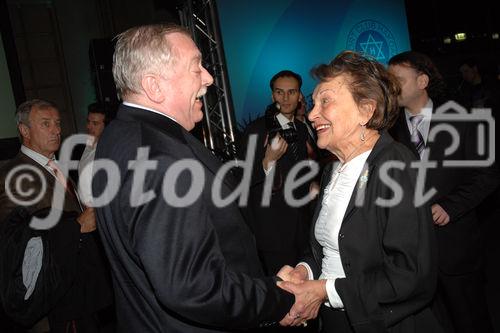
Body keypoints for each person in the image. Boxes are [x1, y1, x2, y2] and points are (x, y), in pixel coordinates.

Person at [92, 23, 307, 333]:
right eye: (196, 67)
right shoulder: (158, 158)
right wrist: (279, 296)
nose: (208, 77)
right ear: (154, 86)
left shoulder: (120, 133)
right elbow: (193, 287)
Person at [276, 51, 442, 332]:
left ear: (366, 111)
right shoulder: (332, 169)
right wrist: (305, 271)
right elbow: (325, 248)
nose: (312, 114)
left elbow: (410, 275)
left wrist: (324, 291)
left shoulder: (396, 165)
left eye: (325, 101)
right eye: (314, 102)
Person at [388, 51, 499, 333]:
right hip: (412, 257)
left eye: (397, 79)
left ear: (422, 80)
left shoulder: (462, 119)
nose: (391, 86)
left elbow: (488, 175)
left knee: (471, 320)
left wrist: (450, 207)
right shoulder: (389, 131)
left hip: (456, 248)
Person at [0, 99, 112, 332]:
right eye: (46, 124)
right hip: (52, 307)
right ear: (24, 131)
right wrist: (76, 226)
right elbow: (13, 244)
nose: (57, 130)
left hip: (77, 293)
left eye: (58, 123)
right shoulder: (12, 175)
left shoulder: (55, 166)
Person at [239, 70, 316, 277]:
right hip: (273, 230)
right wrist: (268, 161)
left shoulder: (300, 129)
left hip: (303, 226)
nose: (285, 98)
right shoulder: (257, 130)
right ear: (272, 96)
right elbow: (244, 180)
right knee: (281, 294)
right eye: (279, 92)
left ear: (300, 95)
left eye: (291, 92)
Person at [77, 103, 109, 206]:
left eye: (95, 123)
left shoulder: (109, 150)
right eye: (88, 122)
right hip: (85, 211)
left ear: (106, 126)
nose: (88, 126)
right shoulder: (88, 143)